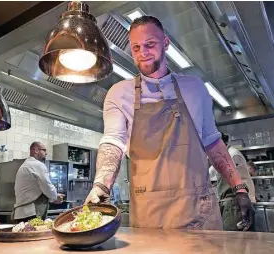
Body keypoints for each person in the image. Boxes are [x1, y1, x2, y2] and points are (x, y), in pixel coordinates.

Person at [84, 15, 253, 230]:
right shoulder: (119, 94)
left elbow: (212, 141)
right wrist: (101, 184)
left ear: (166, 43)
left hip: (198, 210)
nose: (142, 53)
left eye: (150, 44)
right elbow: (113, 142)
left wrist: (238, 187)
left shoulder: (195, 88)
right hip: (149, 213)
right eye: (135, 47)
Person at [209, 133, 256, 231]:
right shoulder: (222, 155)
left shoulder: (232, 154)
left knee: (237, 239)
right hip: (230, 203)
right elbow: (211, 172)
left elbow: (238, 179)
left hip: (236, 203)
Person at [13, 142, 64, 223]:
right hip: (30, 214)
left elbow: (37, 189)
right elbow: (47, 186)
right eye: (44, 150)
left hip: (22, 214)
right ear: (36, 150)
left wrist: (54, 195)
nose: (46, 153)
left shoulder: (26, 165)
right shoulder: (37, 165)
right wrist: (55, 197)